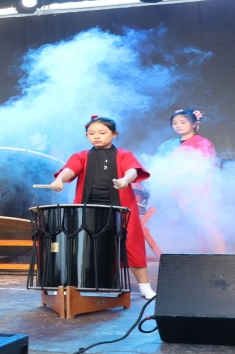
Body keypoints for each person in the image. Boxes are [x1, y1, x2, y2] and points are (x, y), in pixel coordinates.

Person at [50, 116, 156, 300]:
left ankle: (144, 286)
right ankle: (67, 284)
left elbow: (132, 170)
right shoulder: (81, 156)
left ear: (114, 134)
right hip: (88, 208)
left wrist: (125, 180)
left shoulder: (124, 155)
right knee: (77, 244)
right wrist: (59, 179)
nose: (96, 136)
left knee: (132, 243)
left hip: (121, 208)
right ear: (87, 136)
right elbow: (70, 170)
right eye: (91, 133)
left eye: (102, 132)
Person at [152, 109, 225, 253]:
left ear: (194, 124)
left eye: (182, 122)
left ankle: (222, 258)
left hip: (198, 190)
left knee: (207, 224)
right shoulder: (166, 145)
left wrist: (171, 176)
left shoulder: (203, 143)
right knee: (166, 222)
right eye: (174, 123)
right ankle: (163, 257)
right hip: (173, 190)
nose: (178, 125)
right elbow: (156, 167)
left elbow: (199, 166)